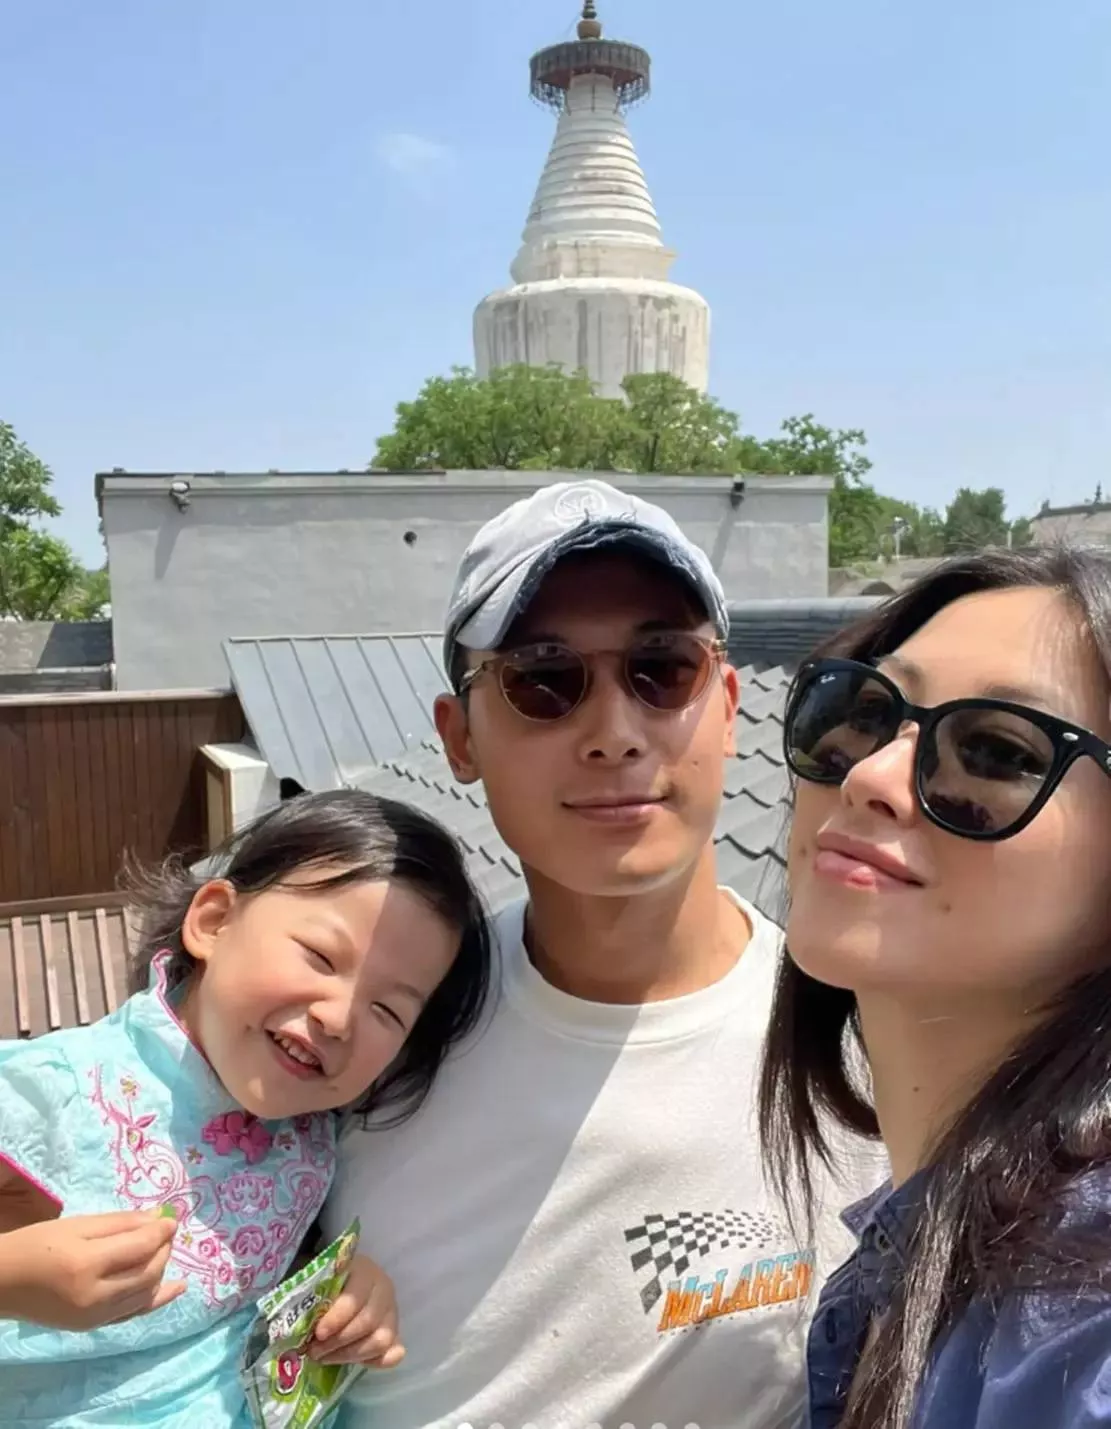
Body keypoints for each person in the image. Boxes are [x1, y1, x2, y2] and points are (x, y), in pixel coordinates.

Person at [323, 479, 876, 1429]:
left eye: (662, 668)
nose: (614, 734)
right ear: (459, 738)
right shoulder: (371, 1029)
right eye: (542, 679)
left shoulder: (866, 1050)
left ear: (728, 704)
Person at [0, 789, 491, 1428]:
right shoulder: (48, 1088)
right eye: (321, 957)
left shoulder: (311, 1133)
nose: (339, 1017)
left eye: (387, 1010)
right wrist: (13, 1278)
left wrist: (347, 1289)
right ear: (213, 922)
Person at [763, 544, 1111, 1429]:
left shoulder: (1077, 1329)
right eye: (861, 714)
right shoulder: (906, 1264)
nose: (868, 776)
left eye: (994, 750)